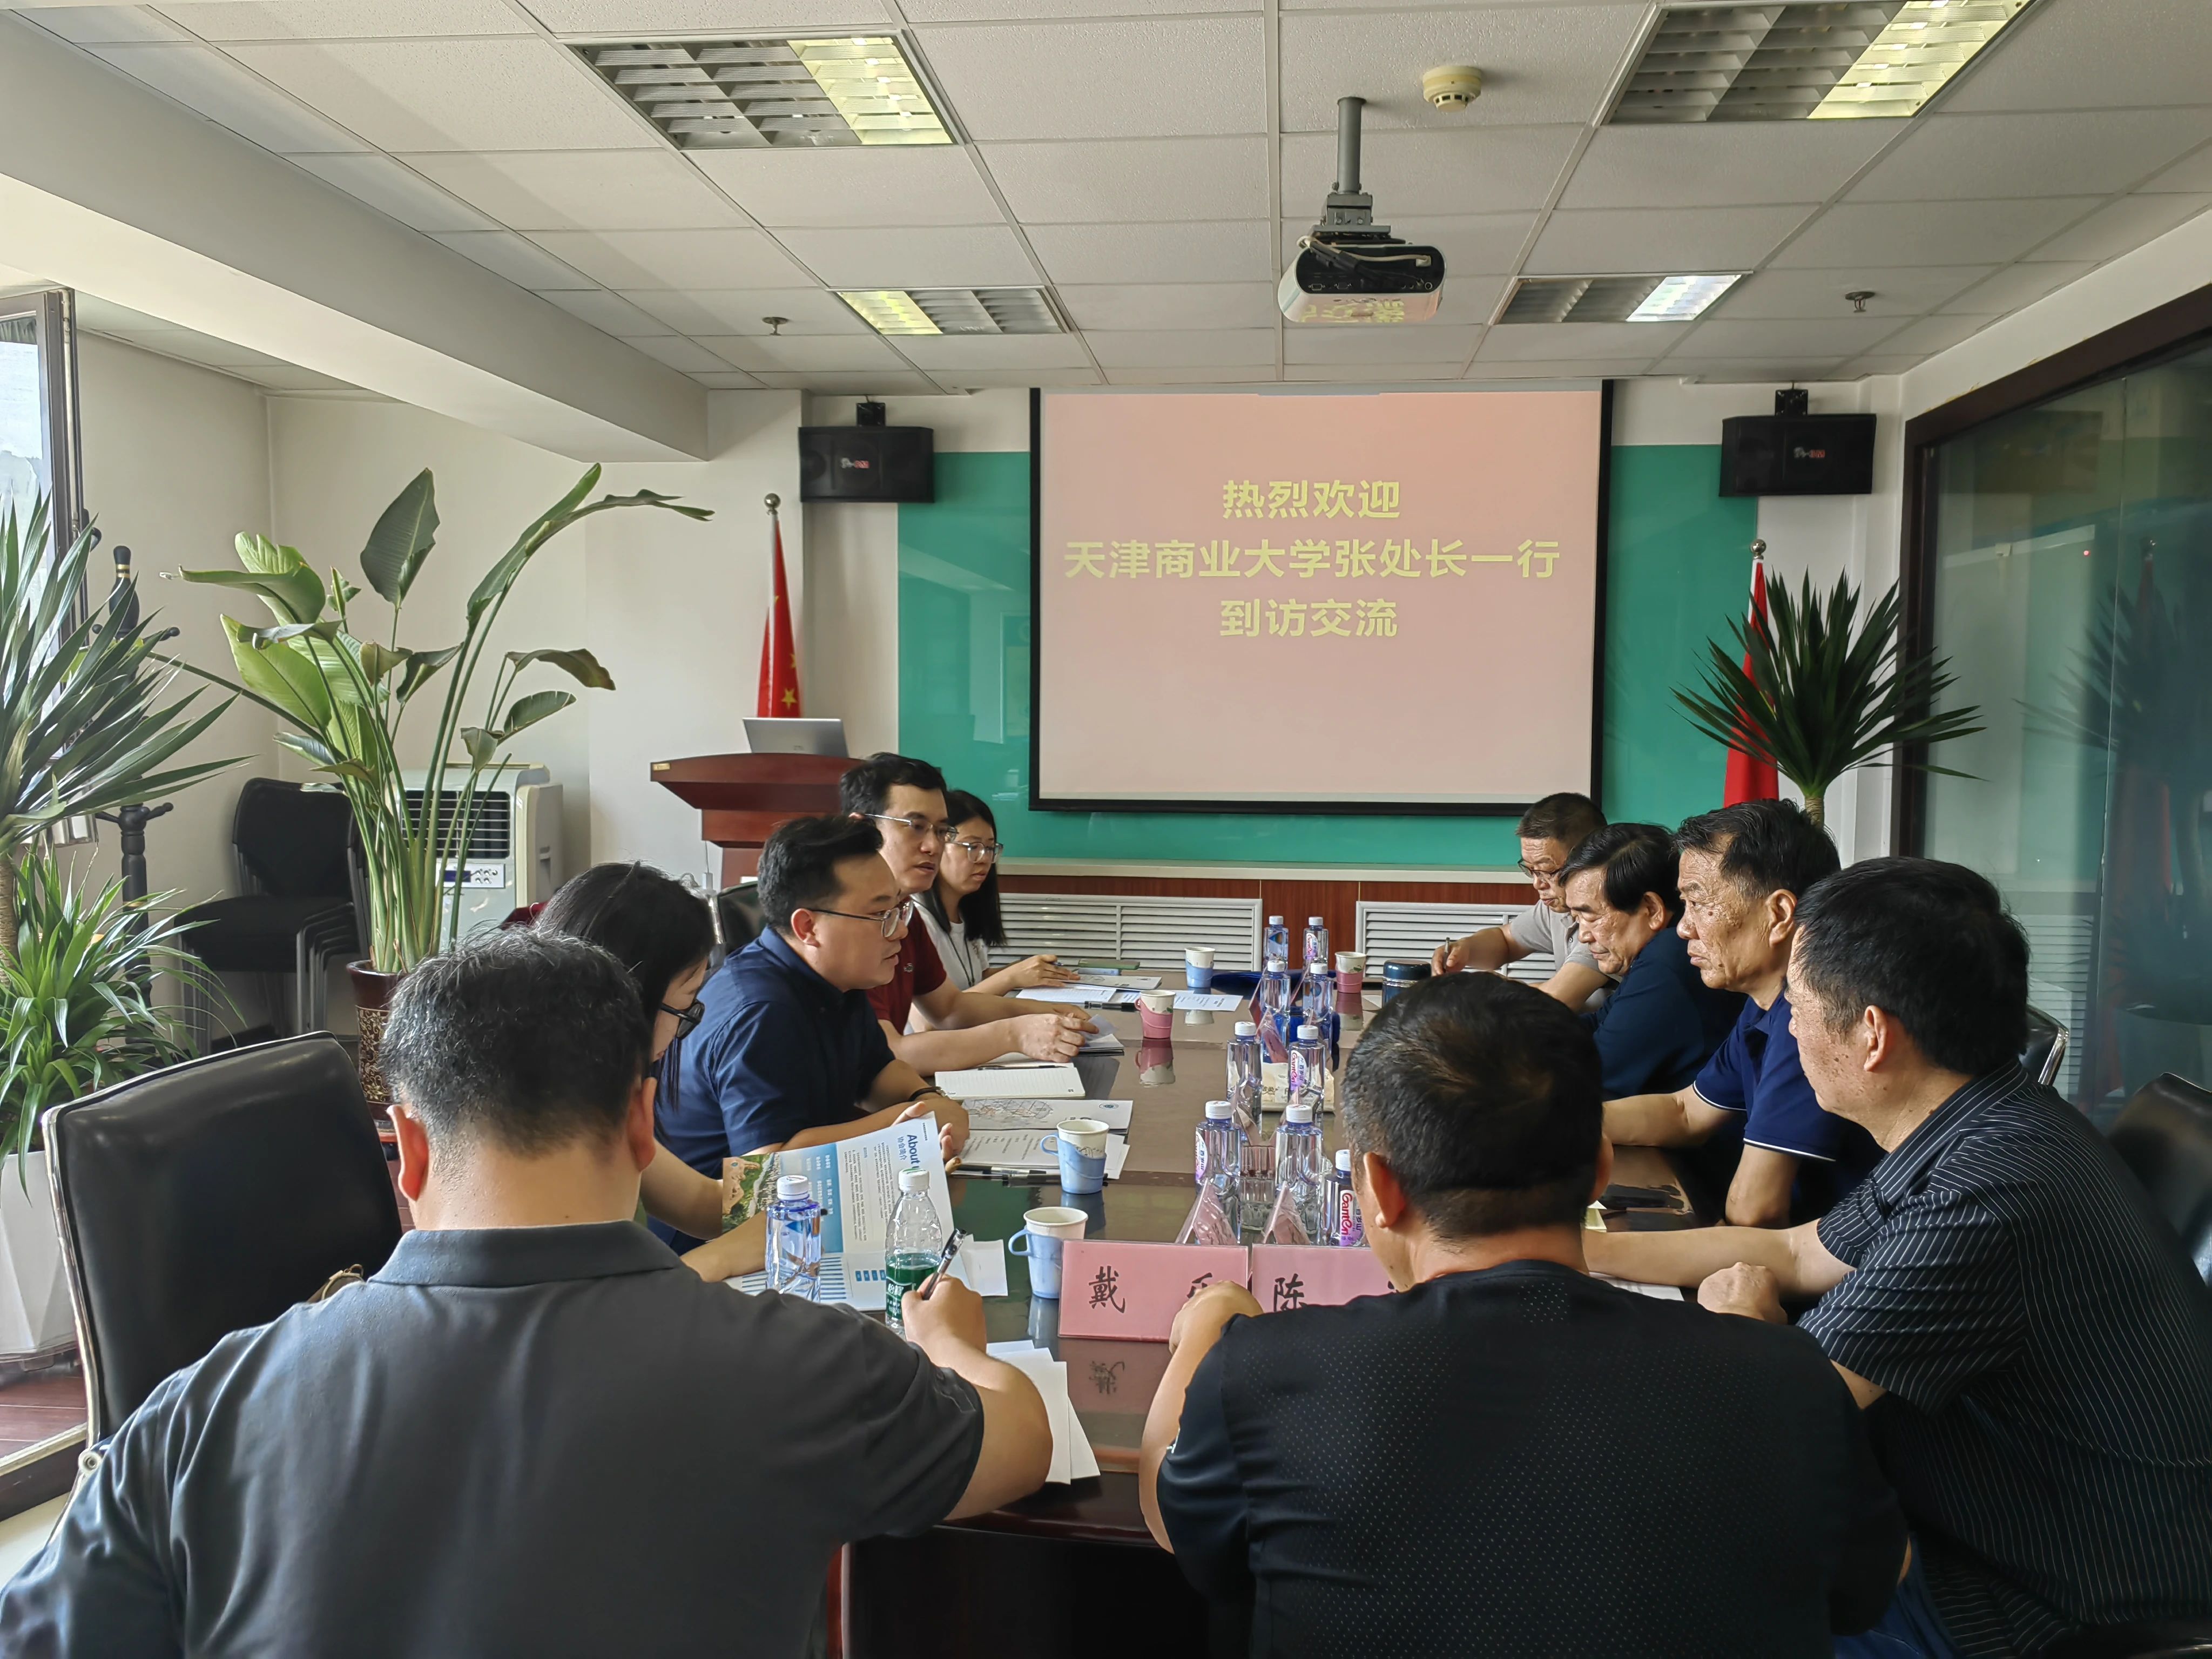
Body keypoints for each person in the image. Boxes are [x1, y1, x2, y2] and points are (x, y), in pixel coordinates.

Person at [0, 929, 1052, 1655]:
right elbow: (1018, 1444)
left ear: (407, 1148)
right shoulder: (800, 1364)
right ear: (640, 1125)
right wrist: (951, 1342)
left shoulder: (205, 1407)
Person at [1139, 972, 1906, 1658]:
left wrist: (1209, 1326)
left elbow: (1182, 1532)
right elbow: (1866, 1587)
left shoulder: (1264, 1372)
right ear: (1600, 1168)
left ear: (1381, 1187)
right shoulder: (1787, 1377)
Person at [1589, 859, 2212, 1658]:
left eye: (1799, 1010)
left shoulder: (1989, 1193)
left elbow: (1771, 1419)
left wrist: (1749, 1328)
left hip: (2041, 1598)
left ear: (1873, 1035)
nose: (1790, 1033)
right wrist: (1583, 1251)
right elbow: (1794, 1251)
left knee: (1651, 1587)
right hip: (1977, 1513)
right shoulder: (1980, 1116)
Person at [656, 814, 972, 1249]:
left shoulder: (837, 976)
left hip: (802, 1215)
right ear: (808, 927)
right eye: (880, 914)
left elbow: (876, 1071)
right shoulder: (761, 1013)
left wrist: (925, 1098)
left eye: (899, 910)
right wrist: (910, 1124)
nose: (900, 930)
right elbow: (768, 1169)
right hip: (722, 1246)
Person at [1604, 800, 1878, 1226]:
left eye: (1699, 902)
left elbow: (1754, 1210)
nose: (1683, 928)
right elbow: (1686, 1113)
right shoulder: (1764, 1002)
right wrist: (1555, 1124)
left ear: (1779, 914)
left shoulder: (1810, 1019)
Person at [535, 861, 765, 1282]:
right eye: (686, 1007)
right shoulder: (547, 1125)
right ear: (631, 999)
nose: (679, 1034)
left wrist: (821, 1176)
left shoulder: (597, 1094)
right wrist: (720, 1258)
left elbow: (705, 1202)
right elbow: (590, 1301)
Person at [838, 752, 1092, 1070]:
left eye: (941, 832)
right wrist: (1015, 1034)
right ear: (863, 829)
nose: (933, 846)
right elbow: (888, 1054)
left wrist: (1044, 1013)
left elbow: (949, 1009)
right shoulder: (846, 922)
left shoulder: (904, 913)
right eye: (916, 827)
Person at [1560, 821, 1744, 1098]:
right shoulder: (1660, 951)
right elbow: (1599, 1024)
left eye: (1591, 917)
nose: (1583, 936)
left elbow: (1591, 1078)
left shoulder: (1670, 958)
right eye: (1577, 918)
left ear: (1652, 909)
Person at [1431, 791, 1613, 1010]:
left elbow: (1557, 999)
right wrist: (1465, 949)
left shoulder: (1608, 918)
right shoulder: (1558, 908)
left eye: (1547, 871)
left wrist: (1490, 989)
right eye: (1530, 870)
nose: (1537, 884)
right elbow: (1506, 940)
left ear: (1589, 859)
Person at [918, 788, 1076, 996]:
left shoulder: (965, 911)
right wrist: (1012, 977)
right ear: (937, 845)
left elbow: (976, 980)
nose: (984, 859)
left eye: (990, 848)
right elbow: (935, 1014)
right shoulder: (917, 922)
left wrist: (1028, 971)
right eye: (972, 846)